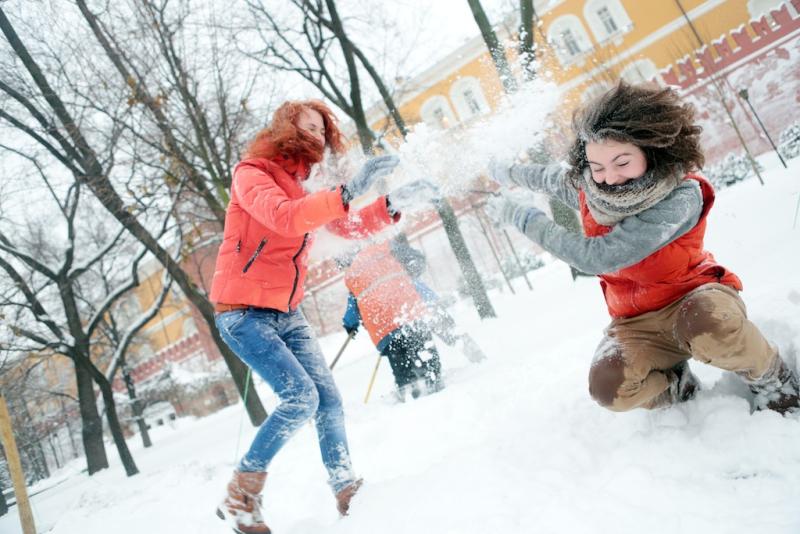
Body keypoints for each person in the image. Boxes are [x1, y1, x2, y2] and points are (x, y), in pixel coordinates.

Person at [485, 81, 799, 415]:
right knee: (609, 388)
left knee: (709, 328)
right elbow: (547, 178)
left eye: (622, 162)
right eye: (597, 167)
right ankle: (678, 387)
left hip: (694, 299)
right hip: (637, 321)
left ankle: (772, 378)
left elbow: (600, 256)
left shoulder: (679, 197)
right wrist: (504, 171)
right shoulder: (593, 189)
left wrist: (521, 217)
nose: (609, 178)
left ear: (651, 151)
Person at [210, 99, 423, 533]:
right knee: (301, 398)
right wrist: (345, 193)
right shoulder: (251, 174)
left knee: (327, 401)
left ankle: (347, 490)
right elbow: (286, 219)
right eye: (308, 127)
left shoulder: (303, 188)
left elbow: (342, 226)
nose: (317, 137)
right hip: (243, 314)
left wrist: (390, 203)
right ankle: (242, 493)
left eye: (323, 131)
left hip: (286, 312)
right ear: (286, 129)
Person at [341, 234, 445, 401]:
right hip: (410, 314)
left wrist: (350, 325)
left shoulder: (353, 274)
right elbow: (415, 258)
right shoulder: (386, 248)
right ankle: (434, 380)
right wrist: (410, 273)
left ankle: (408, 389)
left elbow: (353, 307)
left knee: (402, 367)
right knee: (426, 354)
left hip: (384, 329)